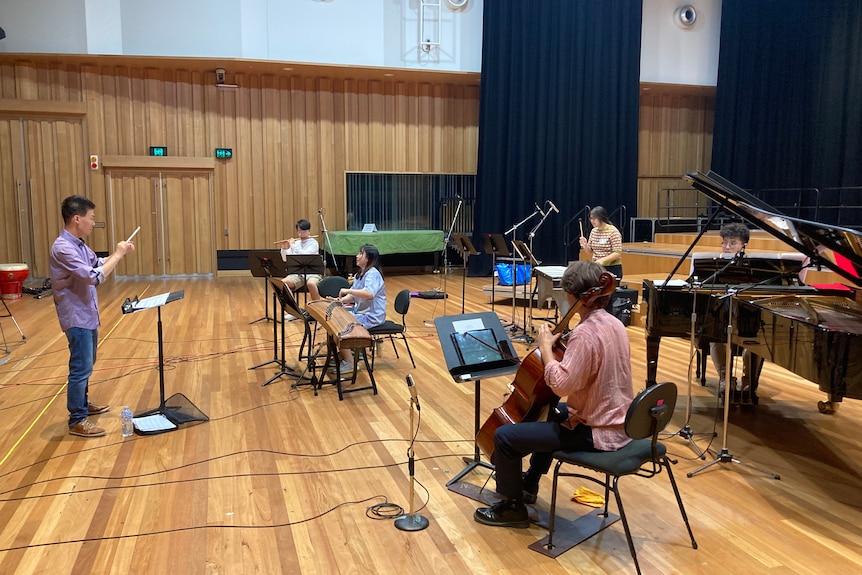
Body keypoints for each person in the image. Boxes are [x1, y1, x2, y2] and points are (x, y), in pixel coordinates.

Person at [474, 261, 634, 527]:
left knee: (504, 437)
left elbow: (561, 385)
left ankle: (513, 509)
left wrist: (546, 348)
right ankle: (529, 483)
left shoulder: (584, 334)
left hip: (595, 431)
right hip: (619, 420)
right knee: (552, 412)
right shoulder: (614, 323)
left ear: (575, 296)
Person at [50, 195, 136, 438]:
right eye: (91, 218)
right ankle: (77, 419)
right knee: (80, 367)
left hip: (87, 314)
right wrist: (117, 255)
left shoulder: (78, 244)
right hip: (75, 316)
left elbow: (97, 263)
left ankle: (83, 404)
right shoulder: (63, 247)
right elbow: (93, 276)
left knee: (87, 364)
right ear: (77, 218)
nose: (93, 223)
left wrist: (120, 253)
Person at [709, 222, 764, 399]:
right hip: (720, 316)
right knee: (715, 338)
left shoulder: (756, 267)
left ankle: (749, 381)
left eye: (732, 243)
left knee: (757, 343)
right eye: (724, 242)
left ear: (743, 246)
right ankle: (726, 378)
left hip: (748, 316)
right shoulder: (711, 266)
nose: (727, 247)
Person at [335, 244, 386, 373]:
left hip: (372, 316)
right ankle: (350, 353)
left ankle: (351, 362)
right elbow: (354, 295)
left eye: (360, 254)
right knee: (335, 316)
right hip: (362, 313)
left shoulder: (373, 274)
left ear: (368, 258)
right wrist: (341, 301)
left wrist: (348, 289)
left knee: (339, 325)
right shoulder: (361, 273)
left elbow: (369, 294)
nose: (357, 256)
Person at [278, 219, 323, 318]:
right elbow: (286, 259)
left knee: (311, 283)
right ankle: (294, 311)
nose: (301, 234)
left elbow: (304, 255)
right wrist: (284, 249)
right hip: (298, 273)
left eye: (303, 231)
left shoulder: (313, 243)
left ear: (309, 231)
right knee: (283, 283)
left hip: (313, 273)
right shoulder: (296, 243)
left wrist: (293, 245)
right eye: (299, 231)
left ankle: (319, 311)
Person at [579, 206, 623, 279]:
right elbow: (589, 251)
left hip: (612, 268)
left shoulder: (613, 231)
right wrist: (585, 245)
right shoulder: (593, 231)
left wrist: (602, 260)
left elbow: (617, 253)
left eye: (594, 218)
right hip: (597, 268)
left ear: (601, 218)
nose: (592, 221)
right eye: (591, 218)